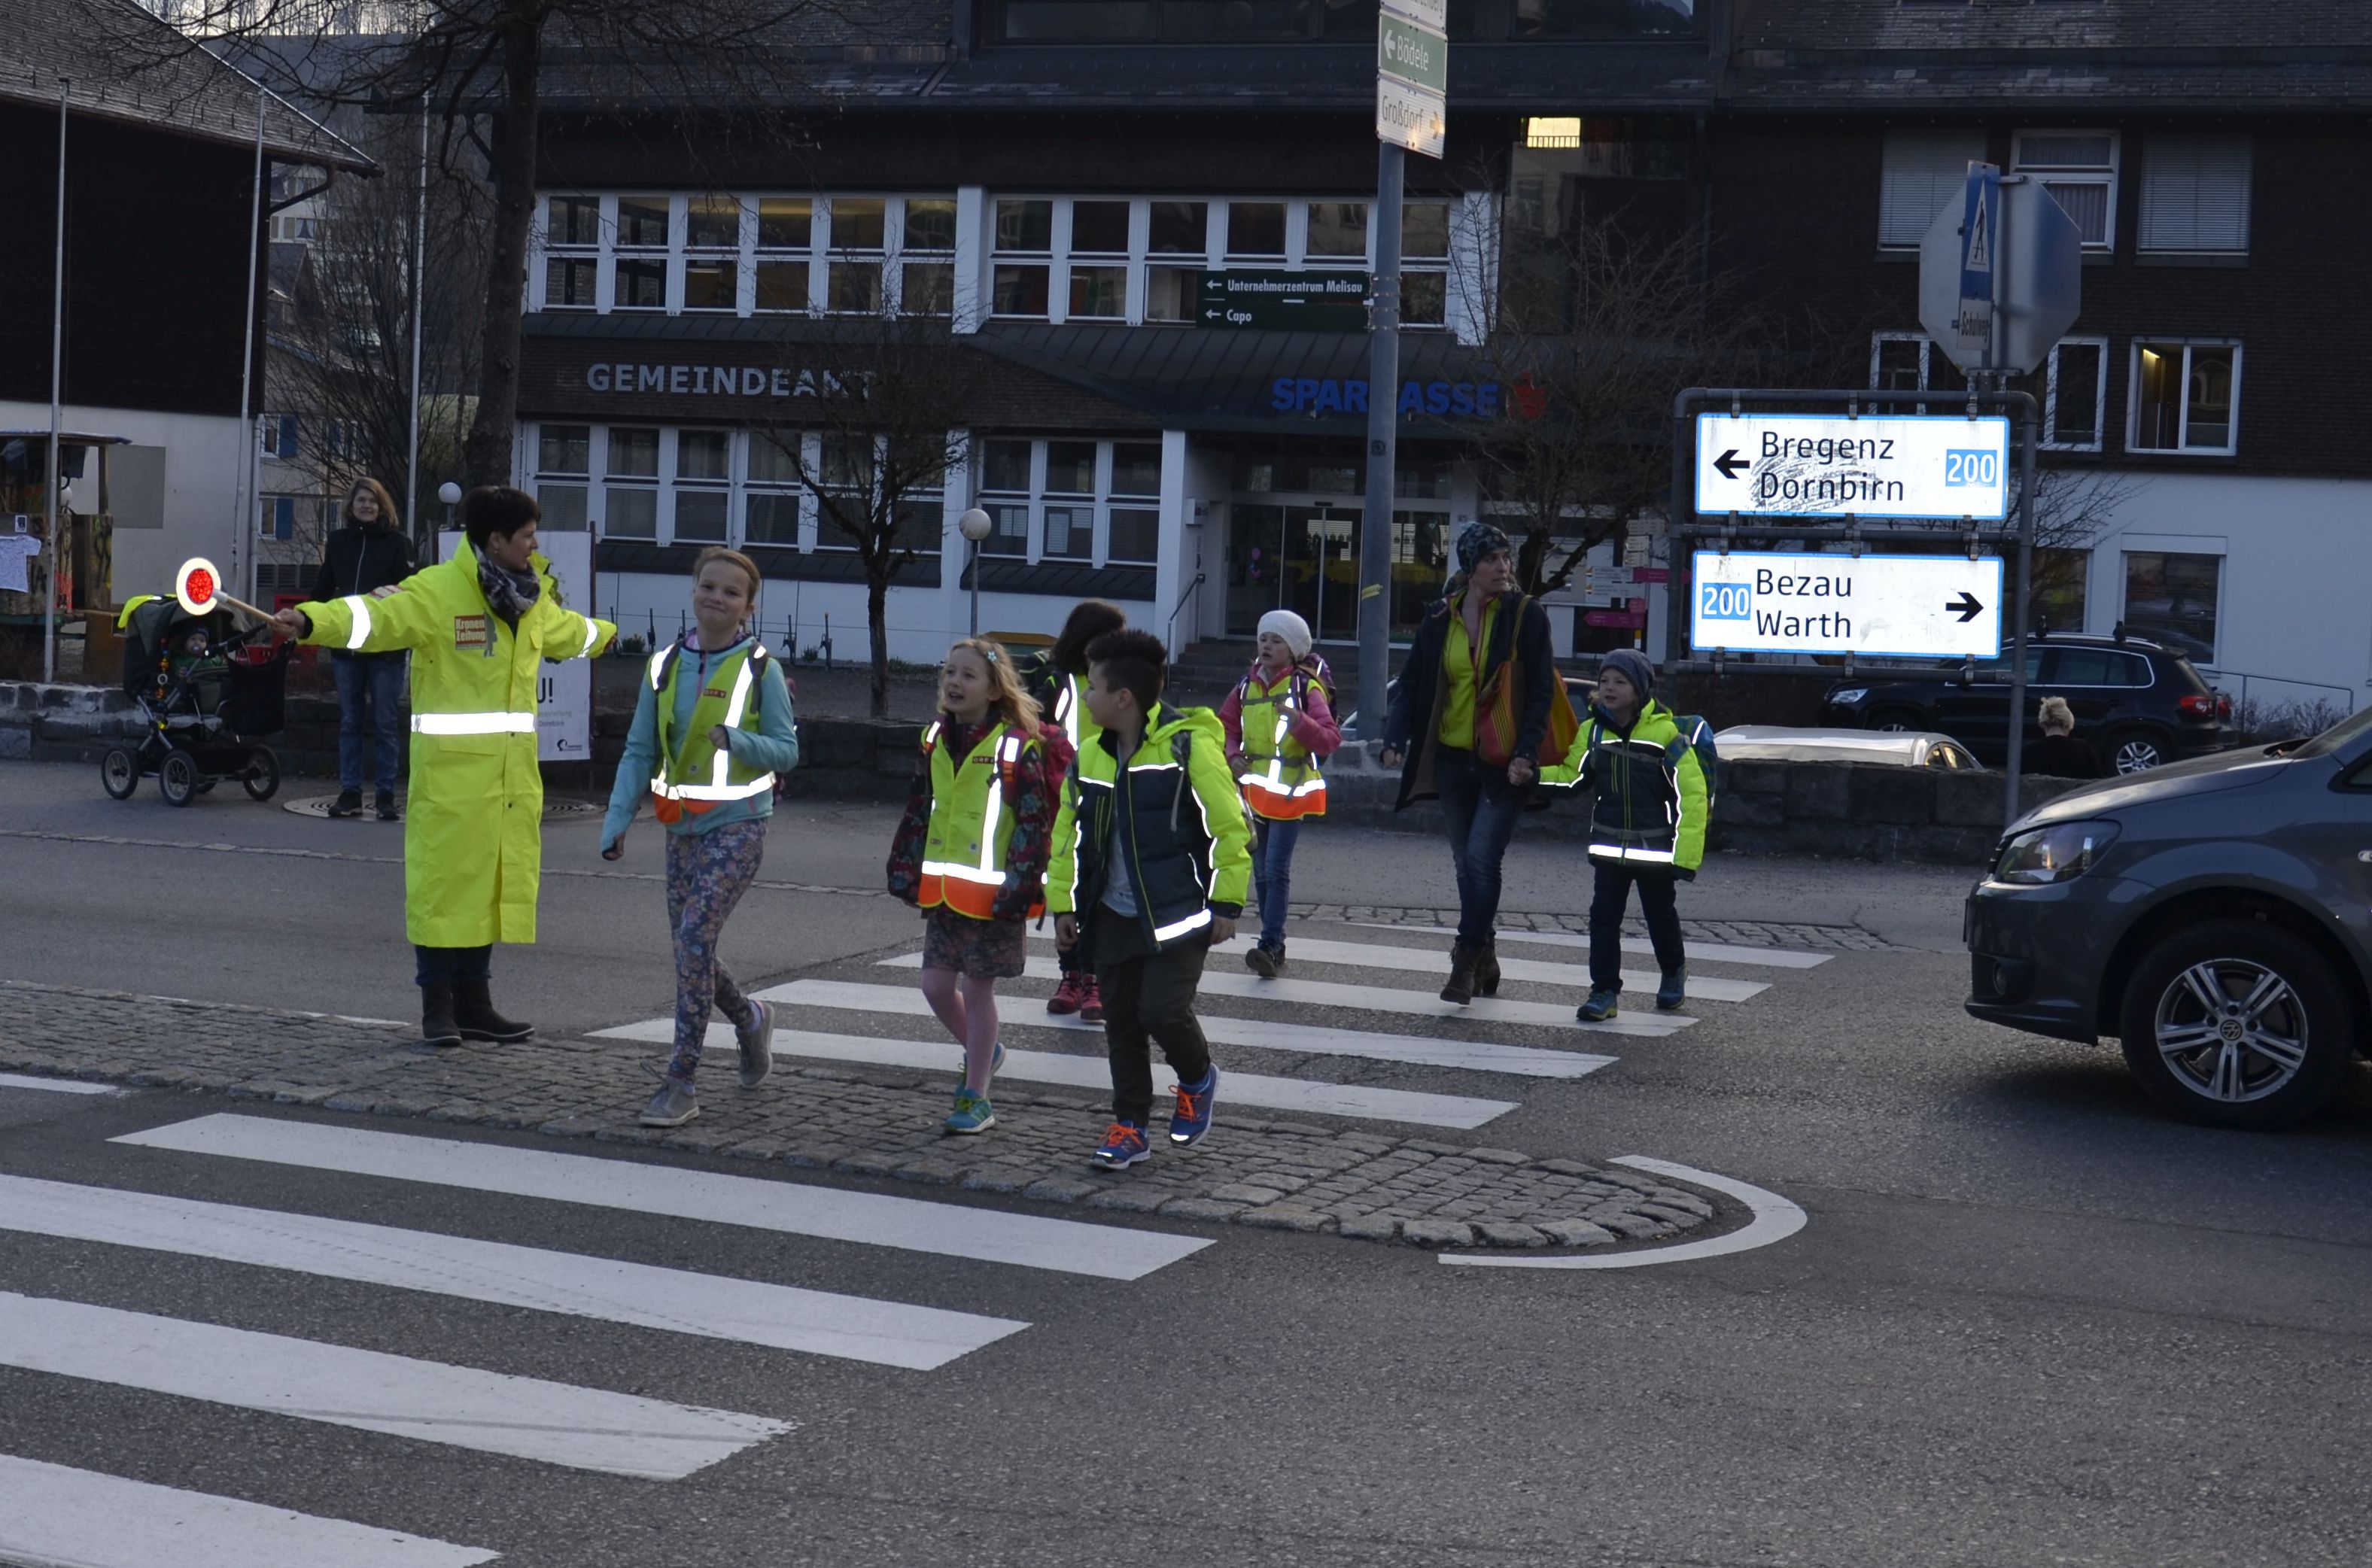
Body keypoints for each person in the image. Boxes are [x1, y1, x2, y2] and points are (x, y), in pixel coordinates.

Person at [273, 485, 616, 1050]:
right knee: (441, 891)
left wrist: (609, 636)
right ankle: (438, 1008)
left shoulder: (531, 600)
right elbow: (372, 617)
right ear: (496, 540)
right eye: (527, 536)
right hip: (451, 780)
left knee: (484, 891)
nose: (535, 545)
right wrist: (310, 621)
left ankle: (475, 1006)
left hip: (507, 782)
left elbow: (569, 633)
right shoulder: (437, 590)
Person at [601, 548, 801, 1129]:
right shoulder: (663, 665)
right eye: (708, 586)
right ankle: (751, 1019)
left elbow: (787, 750)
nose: (717, 598)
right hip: (680, 828)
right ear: (693, 591)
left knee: (692, 941)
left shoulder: (761, 669)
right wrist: (617, 820)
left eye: (731, 592)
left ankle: (681, 1082)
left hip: (739, 825)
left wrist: (738, 740)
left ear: (748, 607)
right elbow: (640, 749)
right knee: (694, 953)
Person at [1048, 629, 1251, 1169]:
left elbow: (1229, 828)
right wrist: (1063, 905)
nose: (1085, 697)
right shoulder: (1089, 756)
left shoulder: (1189, 747)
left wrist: (1227, 903)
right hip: (1110, 914)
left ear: (1124, 698)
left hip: (1179, 913)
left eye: (1093, 687)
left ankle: (1197, 1077)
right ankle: (1131, 1126)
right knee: (1121, 1022)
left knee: (1161, 1010)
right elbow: (1066, 834)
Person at [1378, 522, 1556, 1005]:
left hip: (1504, 761)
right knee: (1465, 863)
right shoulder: (1441, 616)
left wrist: (1526, 752)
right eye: (1491, 559)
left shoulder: (1525, 614)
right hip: (1454, 759)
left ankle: (1465, 959)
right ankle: (1487, 953)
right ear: (1470, 567)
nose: (1503, 567)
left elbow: (1540, 690)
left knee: (1481, 860)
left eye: (1505, 558)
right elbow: (1412, 683)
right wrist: (1395, 737)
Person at [886, 638, 1054, 1136]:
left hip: (996, 898)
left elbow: (1033, 823)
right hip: (944, 892)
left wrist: (1022, 886)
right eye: (949, 673)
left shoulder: (1014, 748)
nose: (955, 683)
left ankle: (976, 1094)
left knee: (978, 991)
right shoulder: (934, 739)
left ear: (995, 689)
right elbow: (921, 806)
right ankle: (986, 1051)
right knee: (935, 987)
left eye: (968, 675)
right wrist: (905, 863)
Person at [1541, 649, 1708, 1023]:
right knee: (1603, 919)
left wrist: (1685, 857)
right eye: (1604, 681)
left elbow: (1692, 796)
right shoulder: (1593, 731)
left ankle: (1673, 973)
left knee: (1660, 917)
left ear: (1640, 690)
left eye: (1620, 681)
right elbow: (1571, 776)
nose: (1609, 688)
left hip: (1655, 851)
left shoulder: (1666, 735)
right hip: (1609, 848)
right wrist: (1531, 777)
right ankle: (1604, 992)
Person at [1218, 607, 1340, 977]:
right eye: (1263, 639)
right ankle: (1273, 944)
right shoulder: (1246, 685)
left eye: (1276, 640)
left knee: (1275, 869)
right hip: (1254, 796)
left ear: (1294, 649)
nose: (1267, 646)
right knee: (1261, 874)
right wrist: (1232, 755)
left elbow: (1329, 739)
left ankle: (1271, 943)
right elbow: (1226, 727)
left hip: (1291, 795)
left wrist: (1299, 721)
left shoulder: (1306, 688)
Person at [1020, 599, 1125, 1023]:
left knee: (1098, 888)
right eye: (1110, 636)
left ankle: (1094, 978)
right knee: (1064, 886)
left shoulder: (1116, 679)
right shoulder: (1053, 677)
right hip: (1058, 795)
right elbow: (1030, 726)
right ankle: (1071, 975)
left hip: (1105, 795)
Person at [312, 478, 415, 819]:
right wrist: (305, 617)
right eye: (361, 500)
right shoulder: (338, 542)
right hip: (347, 649)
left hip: (386, 650)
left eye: (373, 501)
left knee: (385, 723)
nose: (367, 506)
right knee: (350, 722)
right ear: (351, 506)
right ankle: (351, 793)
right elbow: (324, 587)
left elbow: (407, 594)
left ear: (382, 506)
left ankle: (385, 796)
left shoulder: (398, 544)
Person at [2023, 696, 2100, 778]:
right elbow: (2098, 781)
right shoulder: (2084, 749)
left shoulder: (2028, 751)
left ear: (2043, 725)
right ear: (2068, 724)